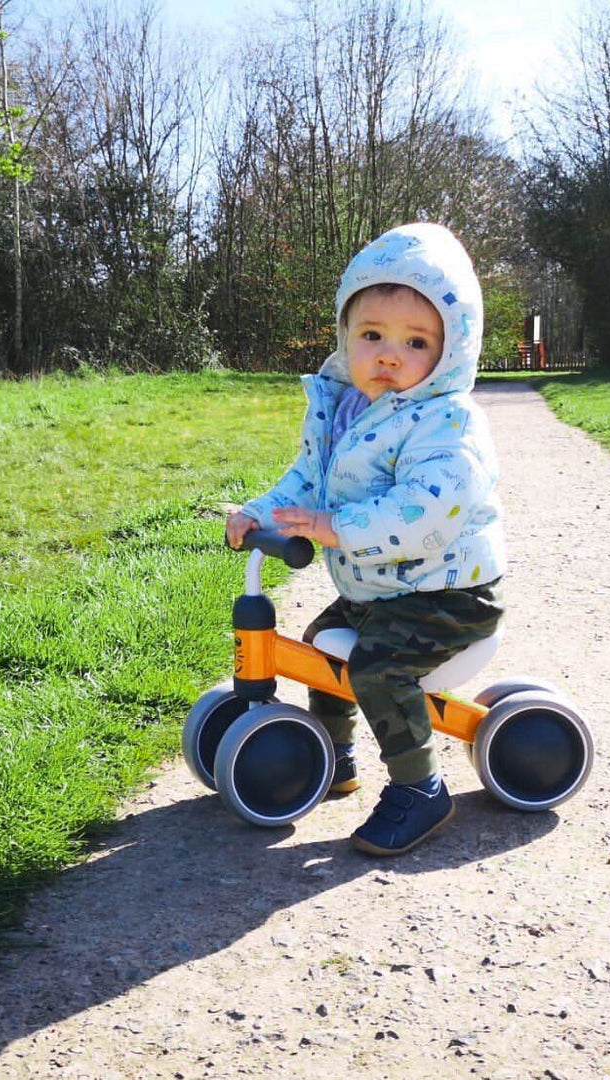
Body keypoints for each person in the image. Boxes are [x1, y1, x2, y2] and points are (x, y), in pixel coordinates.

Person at [226, 222, 506, 855]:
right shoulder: (342, 407)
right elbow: (307, 480)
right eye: (372, 335)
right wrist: (260, 513)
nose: (388, 354)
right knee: (323, 647)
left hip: (447, 598)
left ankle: (418, 789)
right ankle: (334, 755)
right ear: (345, 336)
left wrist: (337, 529)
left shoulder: (448, 422)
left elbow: (423, 512)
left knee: (377, 666)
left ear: (451, 350)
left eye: (415, 341)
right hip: (380, 590)